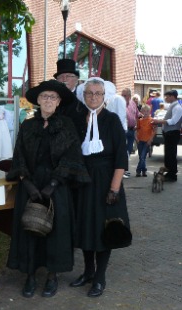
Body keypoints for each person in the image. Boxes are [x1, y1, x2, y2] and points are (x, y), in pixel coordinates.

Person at [6, 80, 90, 298]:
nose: (48, 101)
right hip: (30, 186)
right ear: (38, 101)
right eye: (45, 97)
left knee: (56, 233)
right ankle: (30, 276)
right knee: (29, 231)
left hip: (56, 187)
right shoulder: (28, 125)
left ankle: (52, 277)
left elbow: (72, 157)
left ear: (59, 101)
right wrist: (28, 184)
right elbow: (19, 156)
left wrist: (52, 185)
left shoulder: (66, 125)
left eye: (53, 97)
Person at [71, 77, 131, 298]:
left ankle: (100, 277)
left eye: (98, 93)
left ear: (104, 96)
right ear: (83, 95)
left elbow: (120, 158)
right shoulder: (77, 120)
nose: (93, 97)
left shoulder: (112, 120)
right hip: (84, 182)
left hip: (107, 180)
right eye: (89, 93)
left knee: (104, 229)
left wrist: (114, 189)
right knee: (86, 227)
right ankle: (88, 271)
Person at [54, 59, 88, 142]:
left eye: (68, 76)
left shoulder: (83, 101)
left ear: (76, 79)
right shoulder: (51, 101)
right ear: (57, 81)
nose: (64, 79)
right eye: (61, 77)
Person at [152, 90, 182, 182]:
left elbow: (173, 121)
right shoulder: (172, 106)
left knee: (171, 154)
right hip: (169, 133)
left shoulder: (177, 107)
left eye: (167, 96)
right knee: (168, 154)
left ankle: (172, 174)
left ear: (172, 96)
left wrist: (159, 121)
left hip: (173, 133)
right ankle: (169, 172)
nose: (165, 98)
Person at [122, 88, 140, 178]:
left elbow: (137, 115)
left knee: (129, 150)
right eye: (122, 95)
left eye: (124, 95)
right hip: (124, 131)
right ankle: (123, 171)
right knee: (123, 151)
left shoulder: (133, 104)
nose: (123, 97)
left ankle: (125, 170)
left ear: (129, 96)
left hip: (132, 130)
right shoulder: (120, 104)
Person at [135, 104, 155, 177]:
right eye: (144, 111)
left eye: (147, 111)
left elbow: (153, 131)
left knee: (143, 156)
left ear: (149, 112)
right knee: (141, 157)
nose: (146, 112)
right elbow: (137, 129)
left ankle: (138, 170)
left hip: (147, 141)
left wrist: (150, 139)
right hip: (140, 140)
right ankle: (143, 170)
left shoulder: (151, 120)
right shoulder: (140, 120)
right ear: (141, 112)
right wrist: (136, 138)